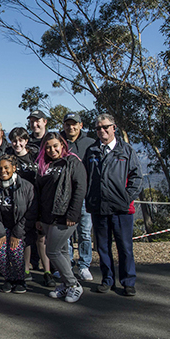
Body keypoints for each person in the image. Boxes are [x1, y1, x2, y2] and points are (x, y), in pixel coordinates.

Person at [84, 113, 142, 296]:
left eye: (105, 127)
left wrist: (127, 197)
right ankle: (107, 279)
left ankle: (128, 281)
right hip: (98, 207)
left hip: (121, 209)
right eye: (98, 128)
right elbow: (84, 177)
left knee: (125, 247)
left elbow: (137, 176)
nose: (102, 131)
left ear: (114, 128)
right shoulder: (92, 151)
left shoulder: (126, 150)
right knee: (102, 247)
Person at [35, 132, 87, 303]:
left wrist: (73, 213)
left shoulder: (72, 162)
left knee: (52, 250)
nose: (52, 150)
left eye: (55, 145)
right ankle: (66, 284)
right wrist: (39, 217)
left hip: (65, 216)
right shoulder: (44, 164)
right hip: (48, 215)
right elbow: (41, 191)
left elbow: (80, 189)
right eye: (48, 147)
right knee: (63, 251)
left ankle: (73, 285)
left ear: (63, 145)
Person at [0, 154, 37, 294]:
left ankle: (20, 280)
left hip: (20, 228)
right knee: (0, 253)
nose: (3, 171)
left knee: (15, 251)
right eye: (0, 168)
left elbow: (31, 211)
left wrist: (17, 233)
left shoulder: (26, 187)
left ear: (14, 168)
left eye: (6, 168)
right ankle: (8, 279)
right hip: (0, 227)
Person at [60, 112, 96, 281]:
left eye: (74, 124)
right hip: (64, 197)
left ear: (81, 125)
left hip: (84, 197)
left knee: (84, 234)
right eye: (67, 124)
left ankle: (84, 265)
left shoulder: (90, 143)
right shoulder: (59, 142)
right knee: (65, 235)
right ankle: (66, 264)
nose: (70, 127)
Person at [6, 127, 39, 280]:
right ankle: (24, 269)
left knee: (40, 238)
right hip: (17, 203)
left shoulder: (35, 157)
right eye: (14, 140)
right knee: (23, 237)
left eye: (20, 140)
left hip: (36, 201)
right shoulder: (9, 158)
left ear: (26, 141)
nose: (17, 144)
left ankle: (47, 270)